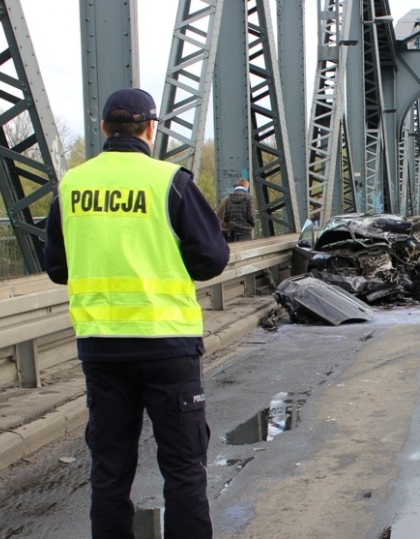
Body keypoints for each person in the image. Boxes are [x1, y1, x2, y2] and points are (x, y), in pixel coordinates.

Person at [43, 88, 229, 539]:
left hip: (101, 348)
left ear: (104, 129)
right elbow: (212, 258)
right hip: (167, 344)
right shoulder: (170, 181)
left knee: (110, 470)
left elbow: (57, 267)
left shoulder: (72, 186)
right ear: (150, 129)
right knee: (183, 468)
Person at [216, 178, 255, 242]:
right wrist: (251, 225)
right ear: (245, 186)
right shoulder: (248, 198)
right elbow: (251, 216)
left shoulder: (228, 198)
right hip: (245, 231)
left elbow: (225, 216)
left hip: (230, 231)